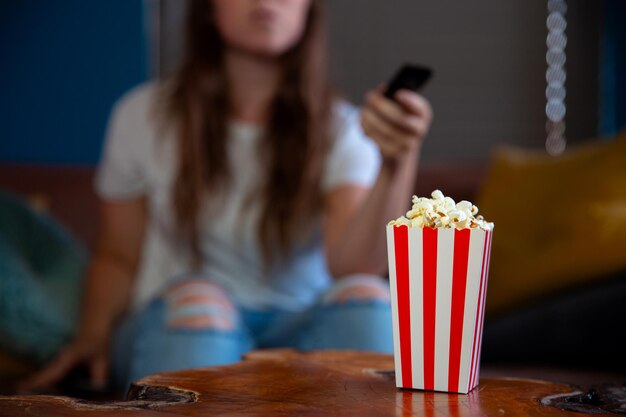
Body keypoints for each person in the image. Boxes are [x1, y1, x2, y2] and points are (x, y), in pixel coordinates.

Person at [21, 0, 432, 391]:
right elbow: (118, 255)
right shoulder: (142, 116)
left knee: (369, 298)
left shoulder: (342, 128)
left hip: (300, 325)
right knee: (201, 302)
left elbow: (353, 265)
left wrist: (396, 163)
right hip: (177, 320)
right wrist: (92, 337)